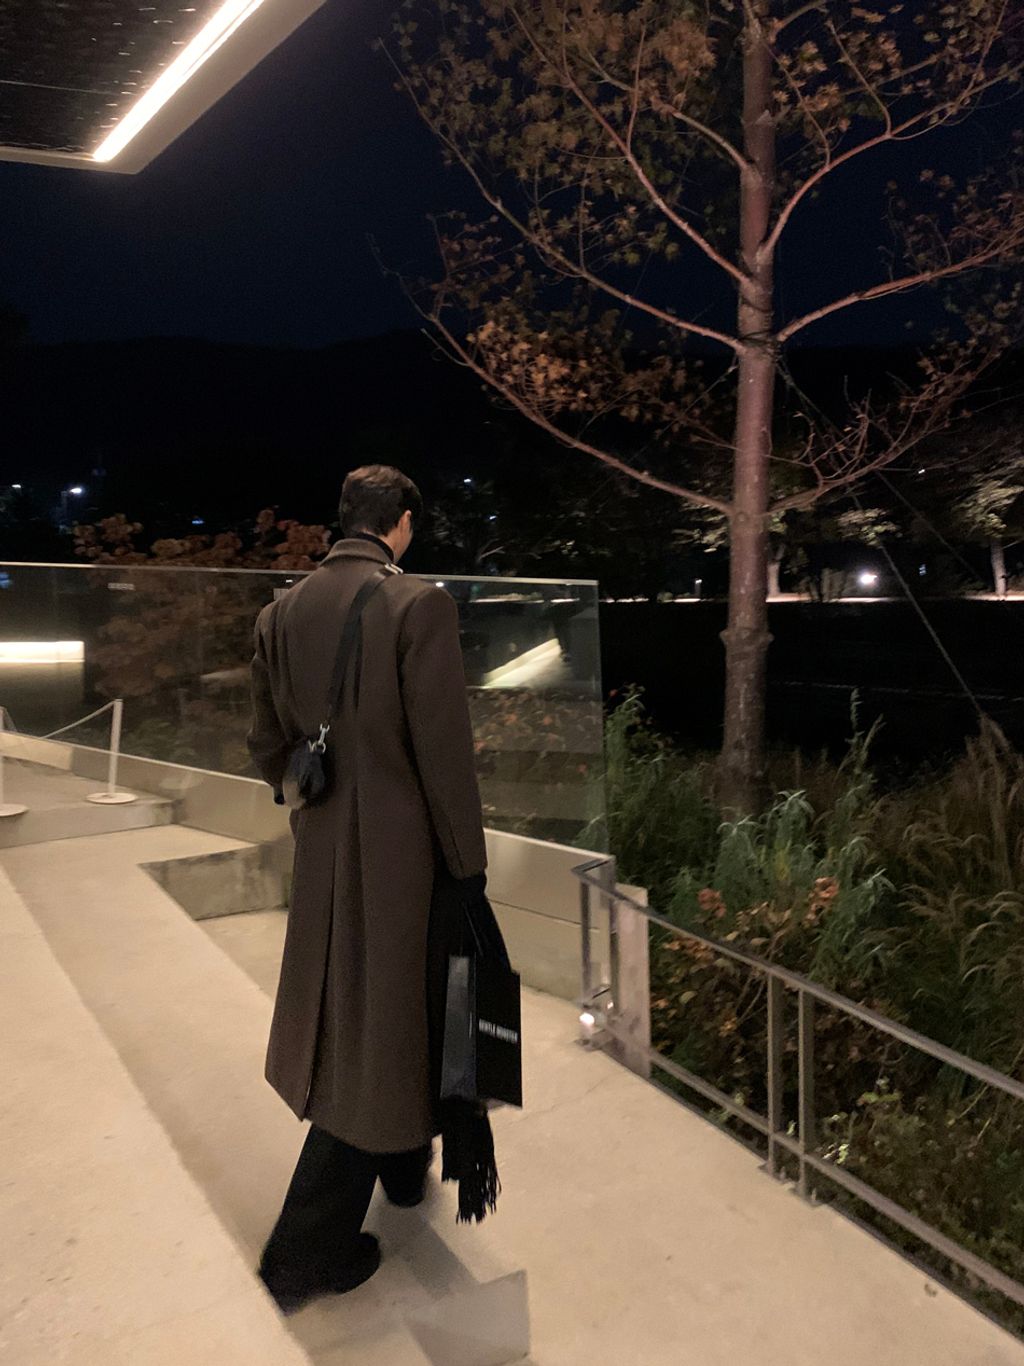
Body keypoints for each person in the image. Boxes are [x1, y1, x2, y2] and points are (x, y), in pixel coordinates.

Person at [247, 464, 492, 1314]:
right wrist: (468, 864)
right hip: (404, 858)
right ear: (404, 521)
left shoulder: (279, 613)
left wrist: (314, 805)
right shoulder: (418, 605)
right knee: (381, 1026)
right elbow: (444, 754)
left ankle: (404, 1169)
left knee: (362, 1007)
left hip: (322, 846)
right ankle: (301, 1254)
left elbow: (267, 746)